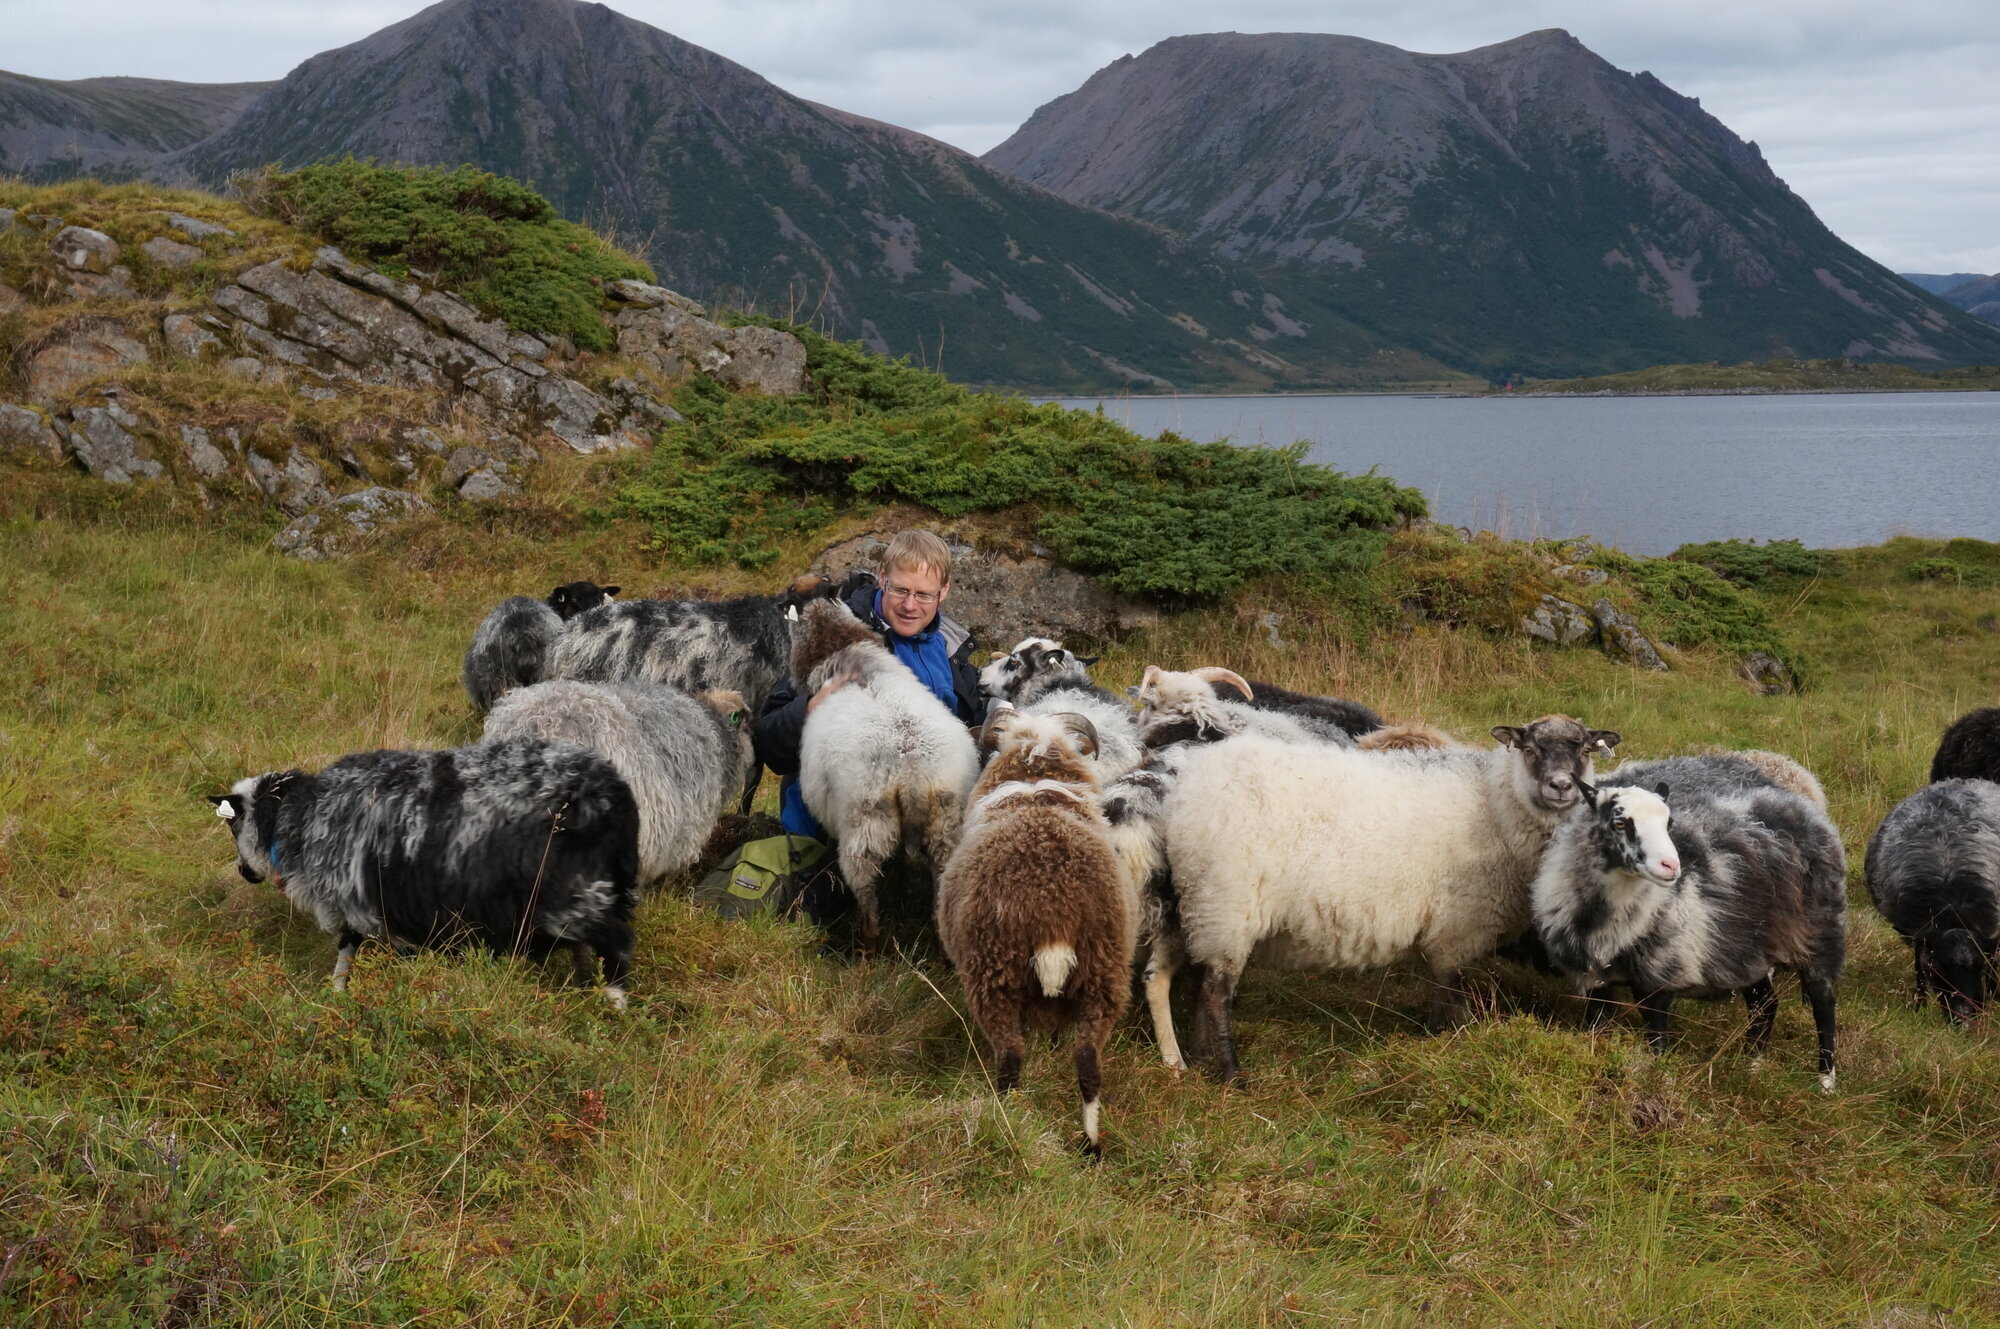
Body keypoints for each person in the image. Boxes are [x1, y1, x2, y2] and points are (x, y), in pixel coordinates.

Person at [752, 530, 985, 843]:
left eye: (924, 594)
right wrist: (811, 707)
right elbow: (769, 742)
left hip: (923, 825)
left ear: (943, 591)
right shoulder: (836, 636)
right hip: (833, 836)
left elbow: (974, 726)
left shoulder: (951, 651)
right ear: (882, 578)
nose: (910, 606)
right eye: (901, 590)